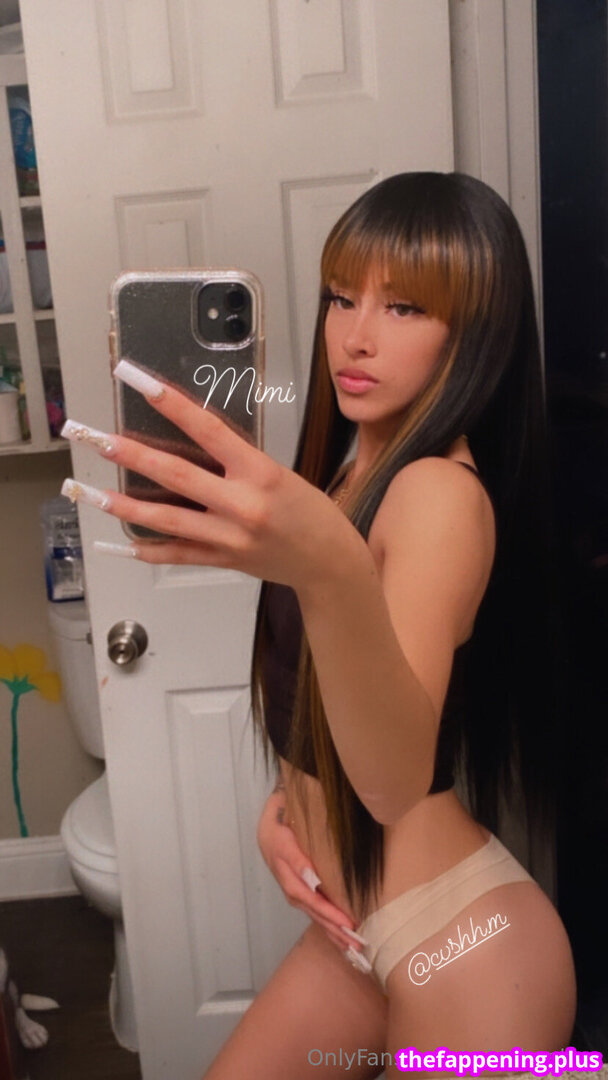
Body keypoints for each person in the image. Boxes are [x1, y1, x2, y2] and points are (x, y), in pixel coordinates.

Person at [60, 172, 577, 1078]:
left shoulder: (438, 494)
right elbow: (327, 701)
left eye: (405, 307)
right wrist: (286, 808)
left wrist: (328, 567)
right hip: (356, 937)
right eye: (342, 297)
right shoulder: (345, 476)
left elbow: (392, 784)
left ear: (475, 333)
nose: (355, 335)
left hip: (464, 949)